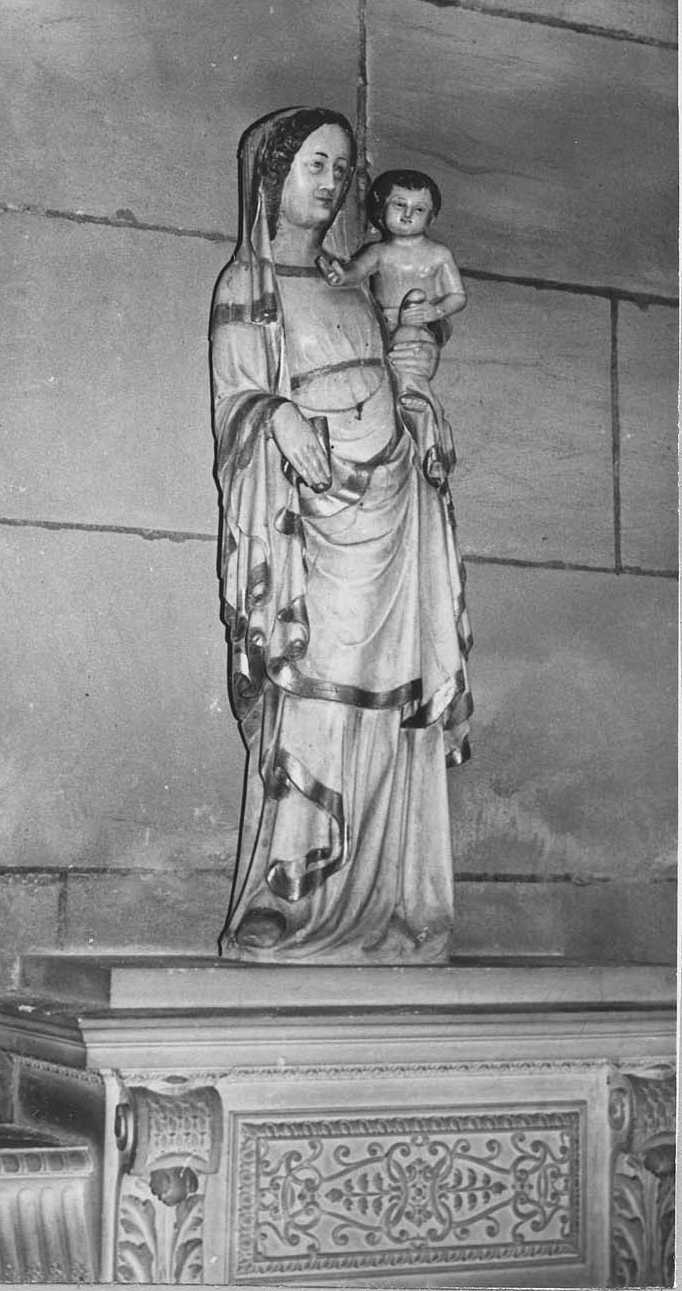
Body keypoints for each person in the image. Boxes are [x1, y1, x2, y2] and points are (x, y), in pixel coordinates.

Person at [211, 108, 472, 965]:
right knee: (315, 689)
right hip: (313, 516)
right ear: (273, 174)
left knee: (392, 698)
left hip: (393, 502)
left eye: (340, 167)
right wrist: (273, 412)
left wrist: (420, 412)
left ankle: (398, 899)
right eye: (313, 164)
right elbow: (237, 398)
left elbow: (397, 368)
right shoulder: (247, 285)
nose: (328, 182)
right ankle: (285, 896)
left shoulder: (351, 282)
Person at [322, 168, 466, 486]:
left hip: (417, 331)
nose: (407, 215)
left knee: (410, 384)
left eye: (419, 209)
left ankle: (432, 445)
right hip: (380, 331)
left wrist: (433, 309)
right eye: (399, 205)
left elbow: (457, 296)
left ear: (432, 217)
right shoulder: (380, 253)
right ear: (381, 208)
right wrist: (340, 277)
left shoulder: (438, 254)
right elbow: (356, 272)